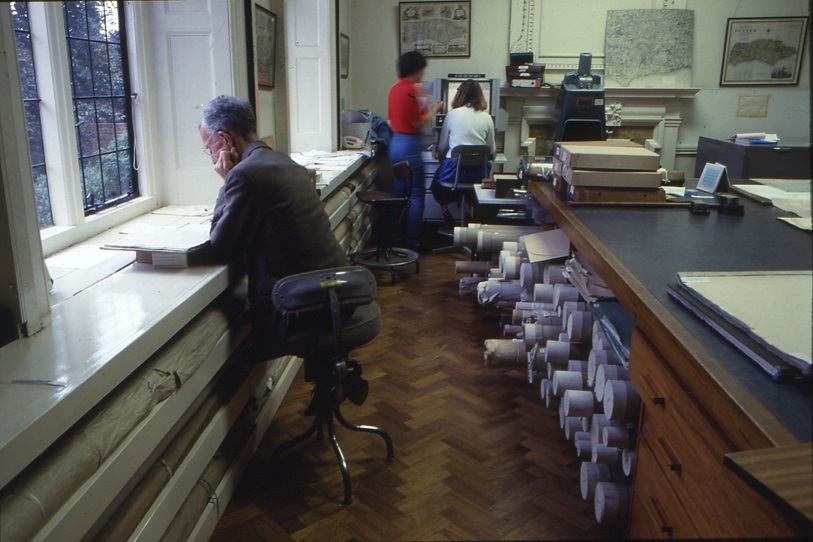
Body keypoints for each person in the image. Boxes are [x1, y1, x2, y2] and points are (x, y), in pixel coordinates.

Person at [199, 95, 349, 359]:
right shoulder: (284, 161)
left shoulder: (245, 174)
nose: (211, 156)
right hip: (339, 294)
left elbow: (220, 246)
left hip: (302, 309)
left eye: (208, 148)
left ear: (224, 139)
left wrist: (225, 182)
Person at [387, 50, 443, 250]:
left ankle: (393, 238)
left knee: (399, 194)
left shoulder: (394, 89)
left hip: (395, 145)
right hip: (410, 146)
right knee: (417, 195)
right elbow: (418, 122)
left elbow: (392, 120)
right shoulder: (413, 90)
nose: (423, 74)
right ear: (416, 69)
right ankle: (412, 241)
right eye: (422, 70)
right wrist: (434, 109)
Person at [431, 80, 495, 223]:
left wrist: (442, 160)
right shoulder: (487, 117)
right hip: (478, 171)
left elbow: (442, 148)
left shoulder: (452, 115)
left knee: (437, 182)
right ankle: (467, 209)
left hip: (454, 170)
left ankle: (445, 210)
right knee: (474, 183)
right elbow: (491, 150)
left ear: (459, 95)